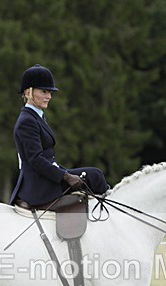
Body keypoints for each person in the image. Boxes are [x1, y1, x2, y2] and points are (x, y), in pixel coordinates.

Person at [10, 64, 109, 208]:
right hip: (39, 186)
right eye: (44, 92)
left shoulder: (36, 117)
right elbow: (36, 160)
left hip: (46, 177)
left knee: (95, 175)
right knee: (95, 176)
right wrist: (65, 176)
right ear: (28, 92)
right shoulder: (27, 121)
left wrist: (63, 172)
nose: (49, 97)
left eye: (50, 92)